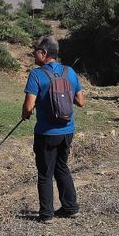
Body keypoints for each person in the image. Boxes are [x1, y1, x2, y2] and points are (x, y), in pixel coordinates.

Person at [21, 36, 86, 222]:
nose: (33, 53)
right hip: (67, 130)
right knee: (62, 167)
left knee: (45, 173)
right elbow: (81, 101)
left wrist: (25, 115)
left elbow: (28, 107)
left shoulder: (36, 74)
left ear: (44, 53)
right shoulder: (70, 72)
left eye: (36, 50)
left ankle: (47, 214)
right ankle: (71, 208)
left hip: (46, 132)